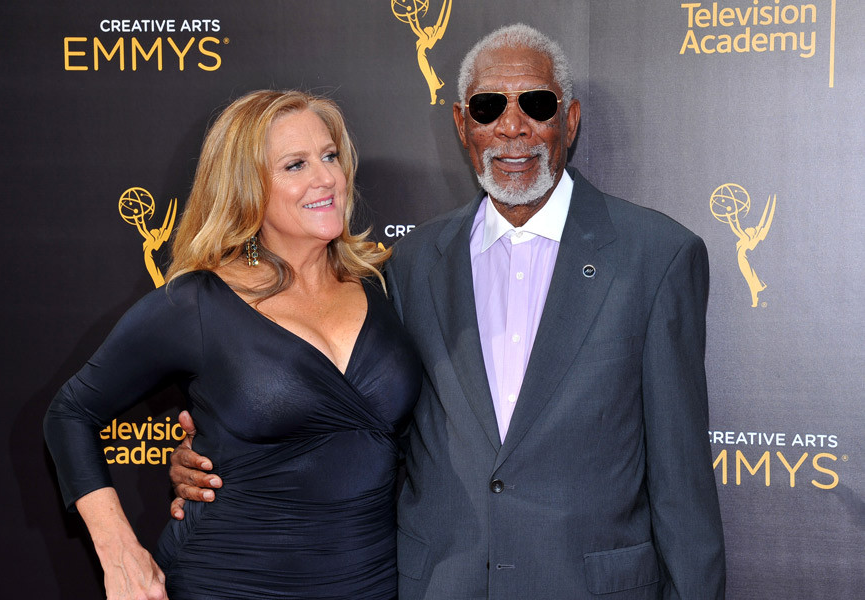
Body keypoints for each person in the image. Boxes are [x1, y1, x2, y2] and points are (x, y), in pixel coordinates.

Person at [169, 24, 726, 599]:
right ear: (464, 126)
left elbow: (682, 484)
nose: (513, 127)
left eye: (536, 105)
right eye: (489, 108)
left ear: (571, 119)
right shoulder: (409, 265)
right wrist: (227, 457)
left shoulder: (656, 256)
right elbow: (361, 429)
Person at [44, 90, 422, 600]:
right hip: (230, 580)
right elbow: (70, 413)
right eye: (295, 165)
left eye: (330, 156)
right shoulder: (197, 304)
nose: (326, 178)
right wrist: (119, 550)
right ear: (247, 186)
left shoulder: (384, 285)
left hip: (369, 583)